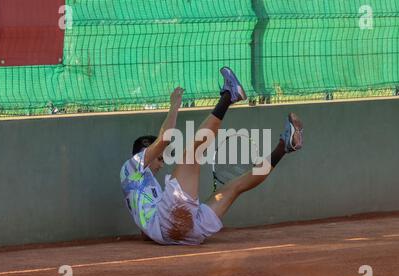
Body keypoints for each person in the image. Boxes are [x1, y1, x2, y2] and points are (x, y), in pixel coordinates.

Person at [120, 67, 303, 245]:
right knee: (192, 153)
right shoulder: (132, 166)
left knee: (235, 186)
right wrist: (174, 104)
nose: (162, 163)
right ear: (144, 153)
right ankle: (228, 96)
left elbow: (146, 227)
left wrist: (150, 232)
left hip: (188, 233)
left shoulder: (139, 185)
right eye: (159, 158)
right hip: (172, 223)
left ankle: (284, 147)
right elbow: (165, 138)